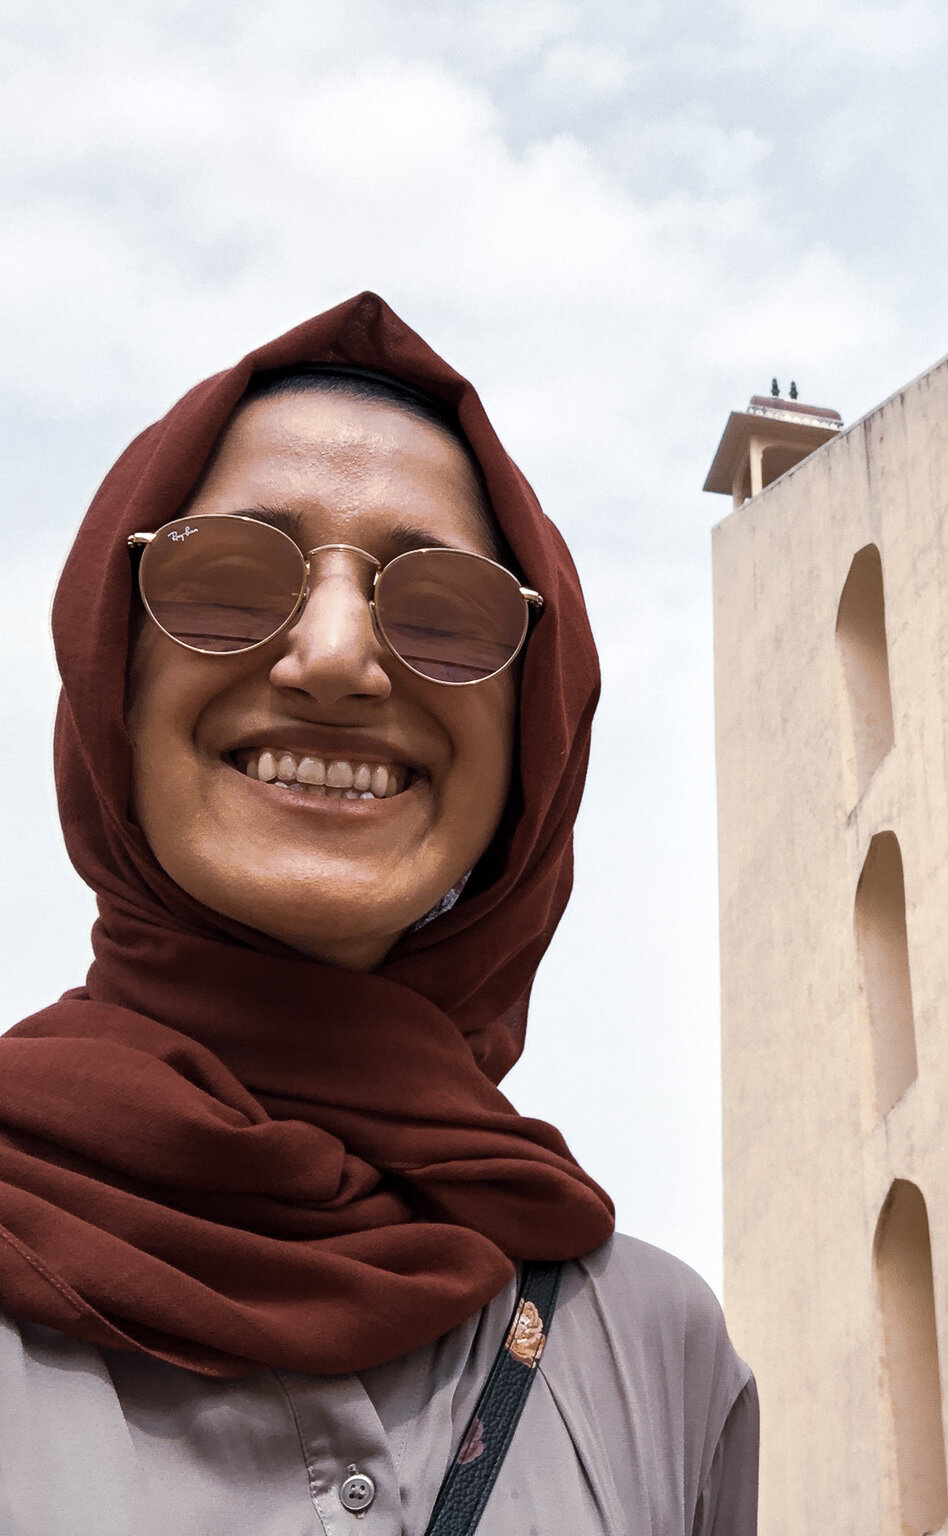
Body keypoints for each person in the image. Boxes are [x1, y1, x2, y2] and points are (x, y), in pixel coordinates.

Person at [0, 294, 757, 1534]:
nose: (339, 656)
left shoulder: (652, 1349)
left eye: (446, 612)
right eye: (227, 579)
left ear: (533, 743)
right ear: (110, 690)